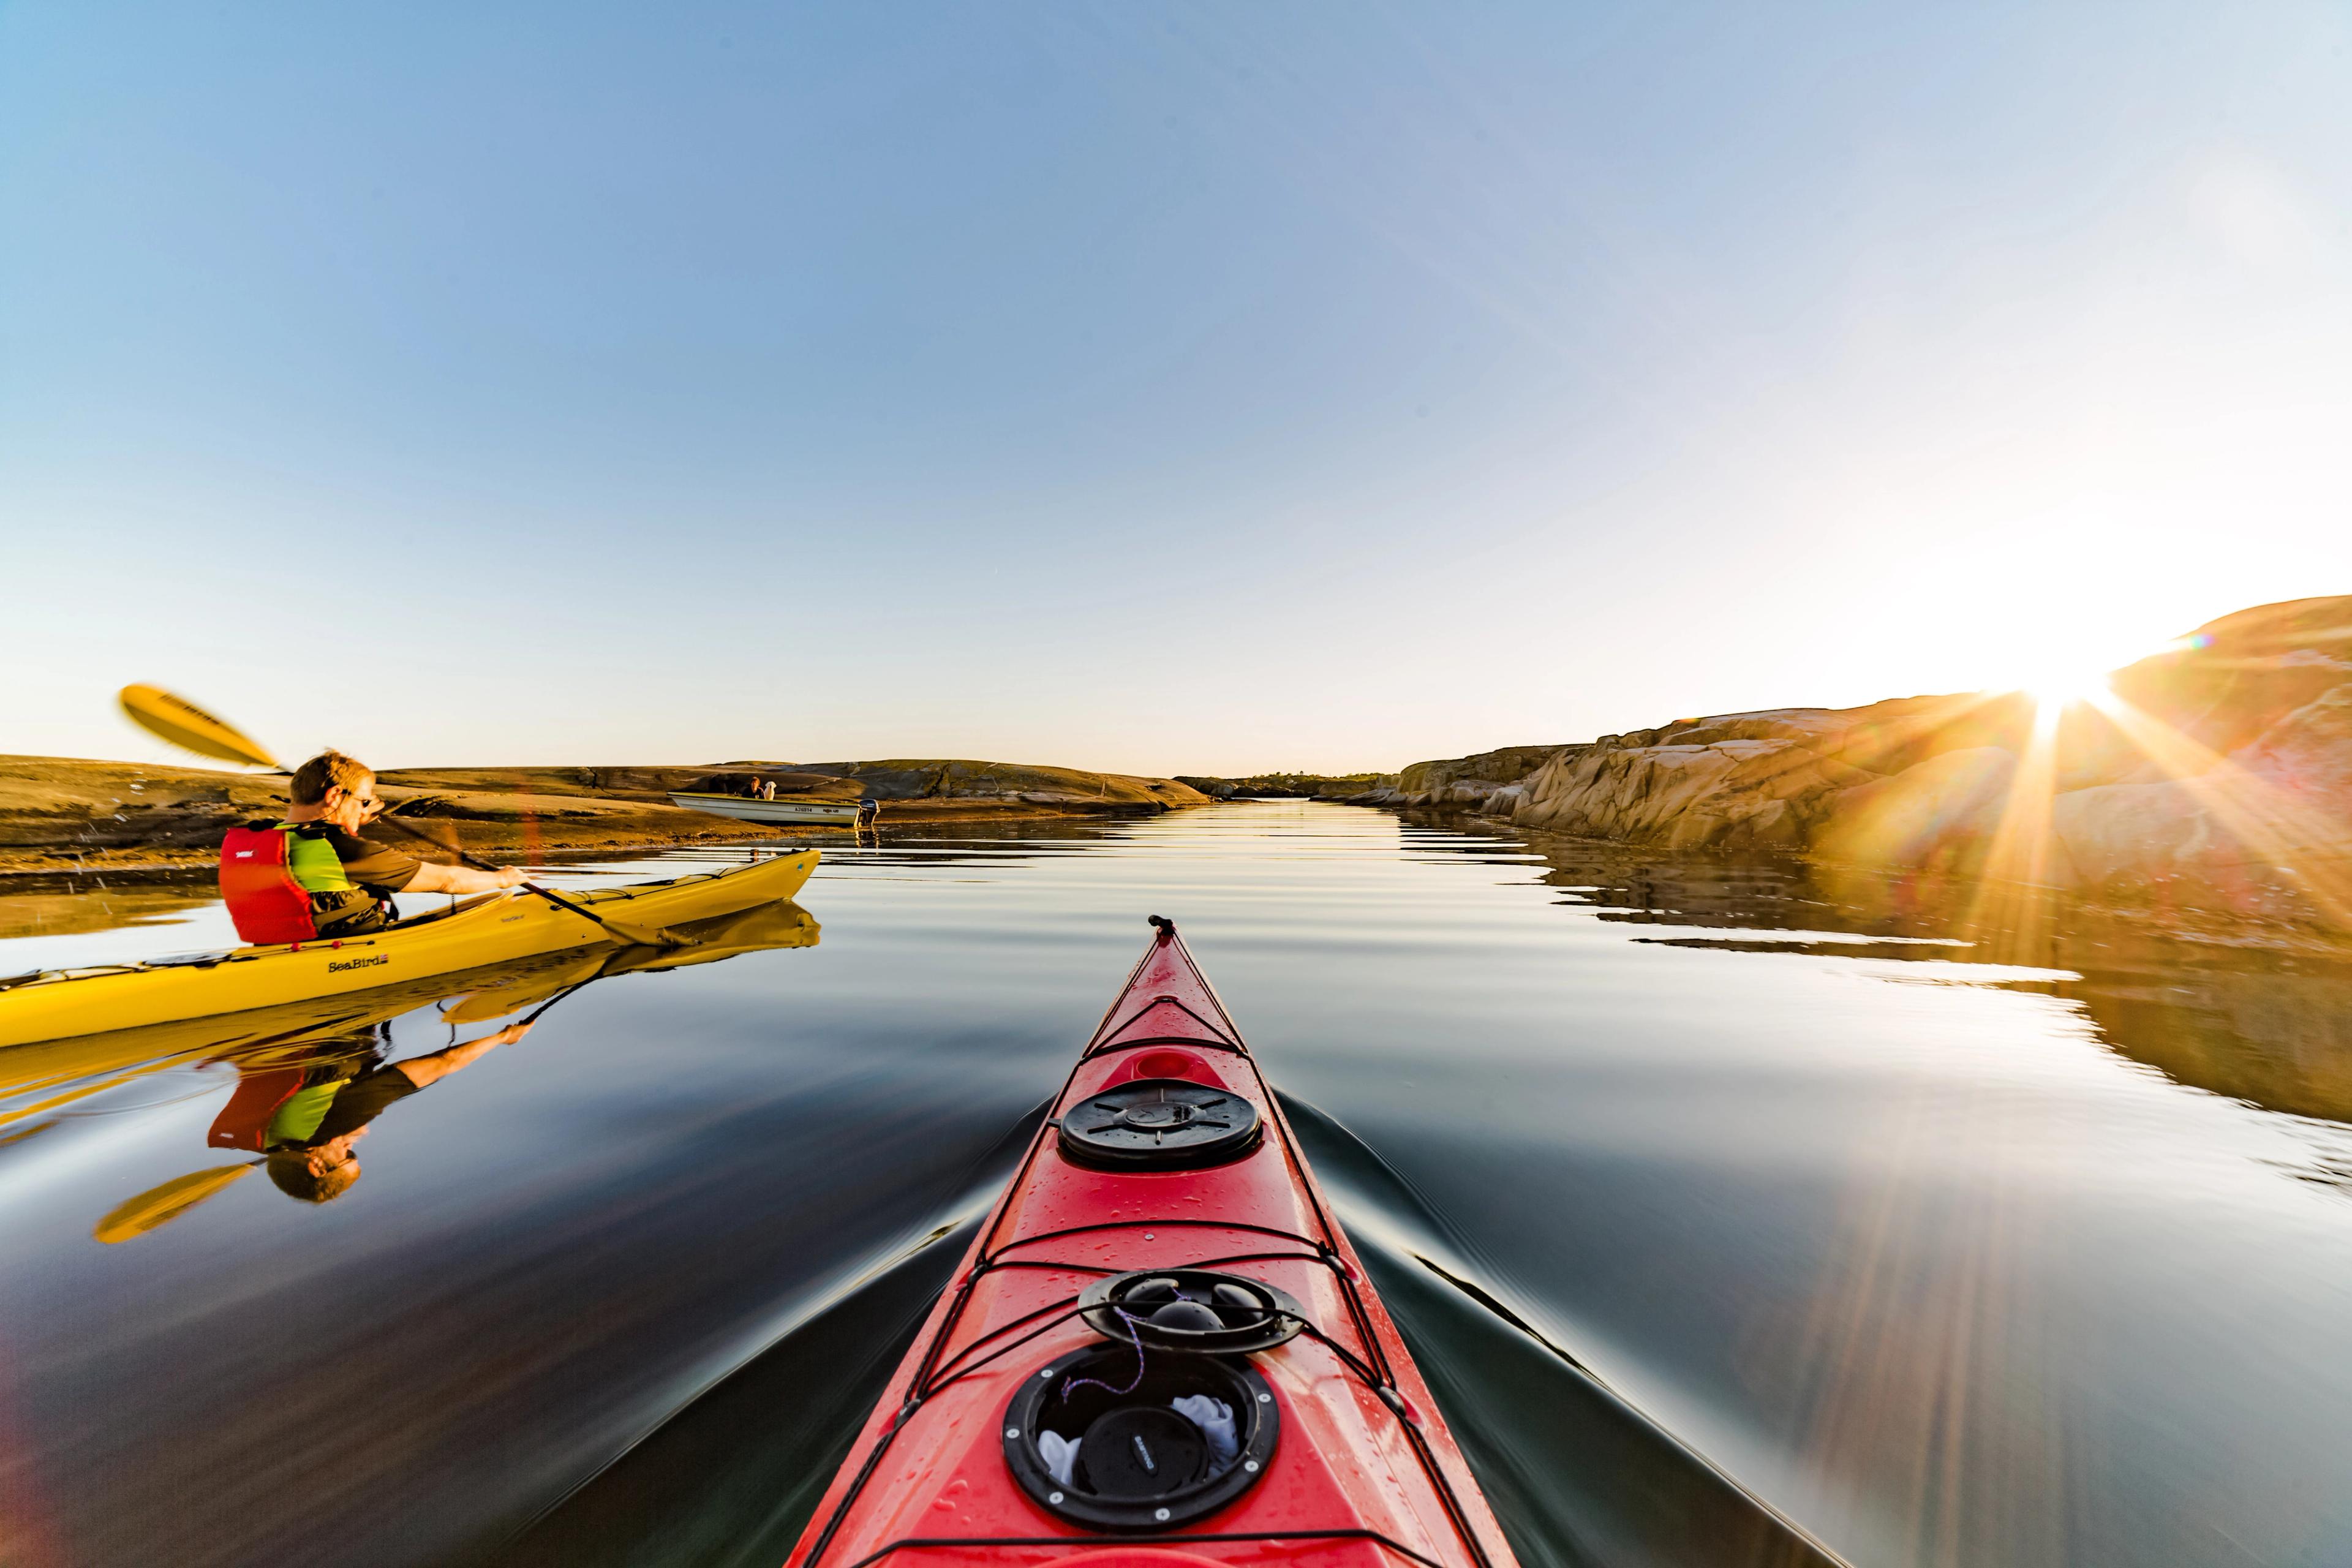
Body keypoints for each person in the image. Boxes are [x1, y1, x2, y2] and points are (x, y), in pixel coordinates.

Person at [208, 1018, 533, 1203]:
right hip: (303, 1037)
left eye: (348, 1156)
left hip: (337, 1027)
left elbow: (444, 1062)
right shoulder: (271, 1140)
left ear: (317, 1166)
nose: (353, 1145)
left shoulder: (326, 1129)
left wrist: (505, 1036)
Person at [217, 750, 524, 944]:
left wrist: (353, 817)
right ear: (335, 796)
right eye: (364, 800)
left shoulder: (269, 838)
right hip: (350, 953)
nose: (366, 809)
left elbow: (321, 862)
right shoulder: (344, 849)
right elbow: (449, 881)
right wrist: (503, 879)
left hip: (281, 946)